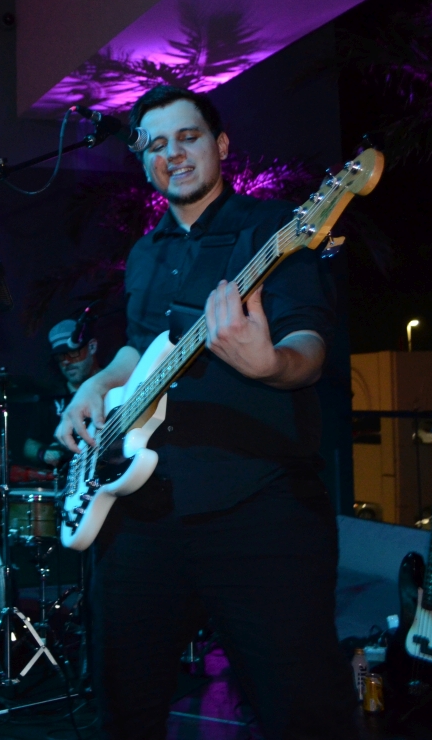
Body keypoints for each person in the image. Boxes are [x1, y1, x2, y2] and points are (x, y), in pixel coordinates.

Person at [55, 86, 355, 739]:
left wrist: (268, 364)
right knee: (124, 712)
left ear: (220, 145)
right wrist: (95, 385)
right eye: (156, 145)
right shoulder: (146, 252)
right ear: (144, 162)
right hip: (140, 513)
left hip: (258, 508)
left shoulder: (273, 229)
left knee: (303, 711)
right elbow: (141, 348)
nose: (174, 154)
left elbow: (309, 345)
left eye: (188, 137)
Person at [19, 319, 104, 469]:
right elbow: (29, 444)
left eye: (72, 352)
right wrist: (44, 454)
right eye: (60, 356)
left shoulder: (115, 386)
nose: (66, 362)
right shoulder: (52, 397)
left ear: (92, 346)